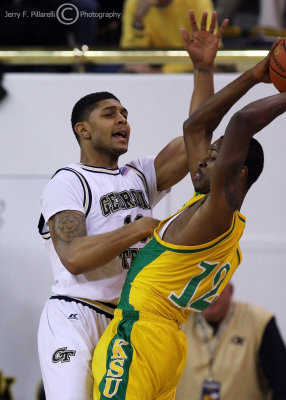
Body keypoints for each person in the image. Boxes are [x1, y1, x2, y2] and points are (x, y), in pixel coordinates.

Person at [37, 10, 225, 400]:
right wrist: (138, 229)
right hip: (76, 313)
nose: (123, 120)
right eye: (111, 114)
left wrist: (203, 71)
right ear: (83, 130)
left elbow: (198, 137)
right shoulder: (69, 181)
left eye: (125, 114)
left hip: (129, 320)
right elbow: (72, 256)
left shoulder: (139, 175)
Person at [92, 35, 286, 399]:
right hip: (168, 342)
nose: (202, 160)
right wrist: (254, 74)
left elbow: (243, 121)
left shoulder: (218, 212)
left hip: (140, 335)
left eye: (216, 157)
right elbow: (195, 128)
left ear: (237, 172)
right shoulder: (212, 212)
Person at [176, 283, 286, 400]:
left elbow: (282, 384)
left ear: (230, 290)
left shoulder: (259, 322)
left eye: (215, 289)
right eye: (203, 290)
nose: (208, 297)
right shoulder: (178, 322)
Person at [120, 0, 216, 73]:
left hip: (192, 69)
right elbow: (129, 57)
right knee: (126, 74)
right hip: (151, 70)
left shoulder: (198, 2)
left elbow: (208, 52)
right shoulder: (135, 3)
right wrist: (138, 20)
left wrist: (161, 72)